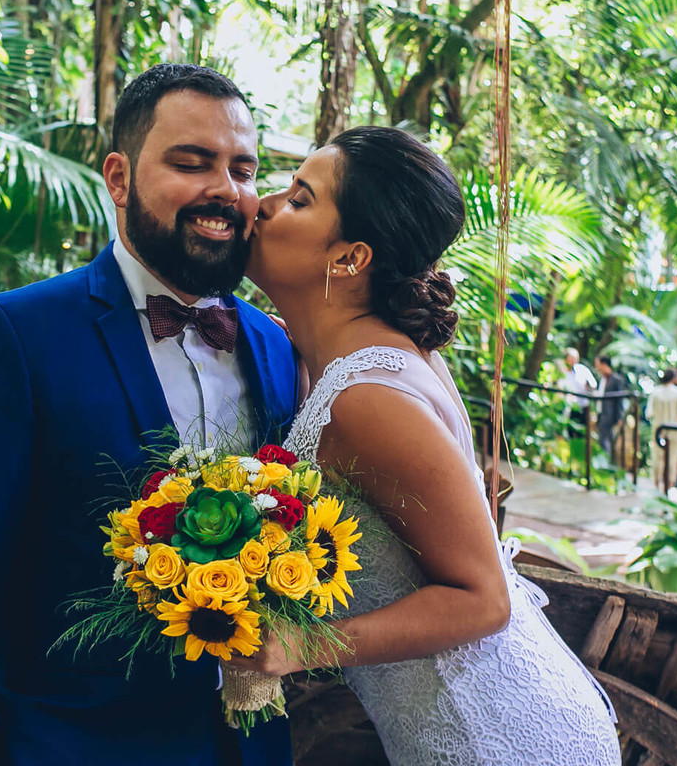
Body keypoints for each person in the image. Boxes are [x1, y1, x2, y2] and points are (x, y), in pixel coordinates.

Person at [0, 64, 298, 766]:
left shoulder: (273, 345)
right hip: (70, 744)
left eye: (244, 169)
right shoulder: (17, 336)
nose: (226, 189)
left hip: (245, 747)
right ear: (118, 178)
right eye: (192, 162)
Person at [231, 127, 619, 764]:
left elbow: (484, 598)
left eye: (300, 199)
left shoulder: (366, 399)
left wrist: (300, 646)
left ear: (351, 259)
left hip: (493, 736)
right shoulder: (341, 358)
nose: (265, 204)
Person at [646, 369, 677, 490]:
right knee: (672, 457)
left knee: (657, 456)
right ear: (673, 379)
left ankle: (656, 484)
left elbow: (649, 413)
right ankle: (668, 485)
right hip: (675, 430)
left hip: (658, 429)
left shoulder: (655, 392)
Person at [559, 347, 597, 439]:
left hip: (582, 406)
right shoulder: (562, 372)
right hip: (568, 406)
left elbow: (593, 385)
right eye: (571, 358)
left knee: (582, 432)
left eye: (576, 358)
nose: (574, 361)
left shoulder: (582, 370)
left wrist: (587, 386)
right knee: (569, 432)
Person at [594, 355, 627, 461]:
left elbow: (619, 400)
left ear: (604, 364)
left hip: (609, 414)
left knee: (605, 440)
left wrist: (619, 418)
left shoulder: (616, 380)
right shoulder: (602, 379)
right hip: (601, 413)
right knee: (606, 439)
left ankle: (605, 464)